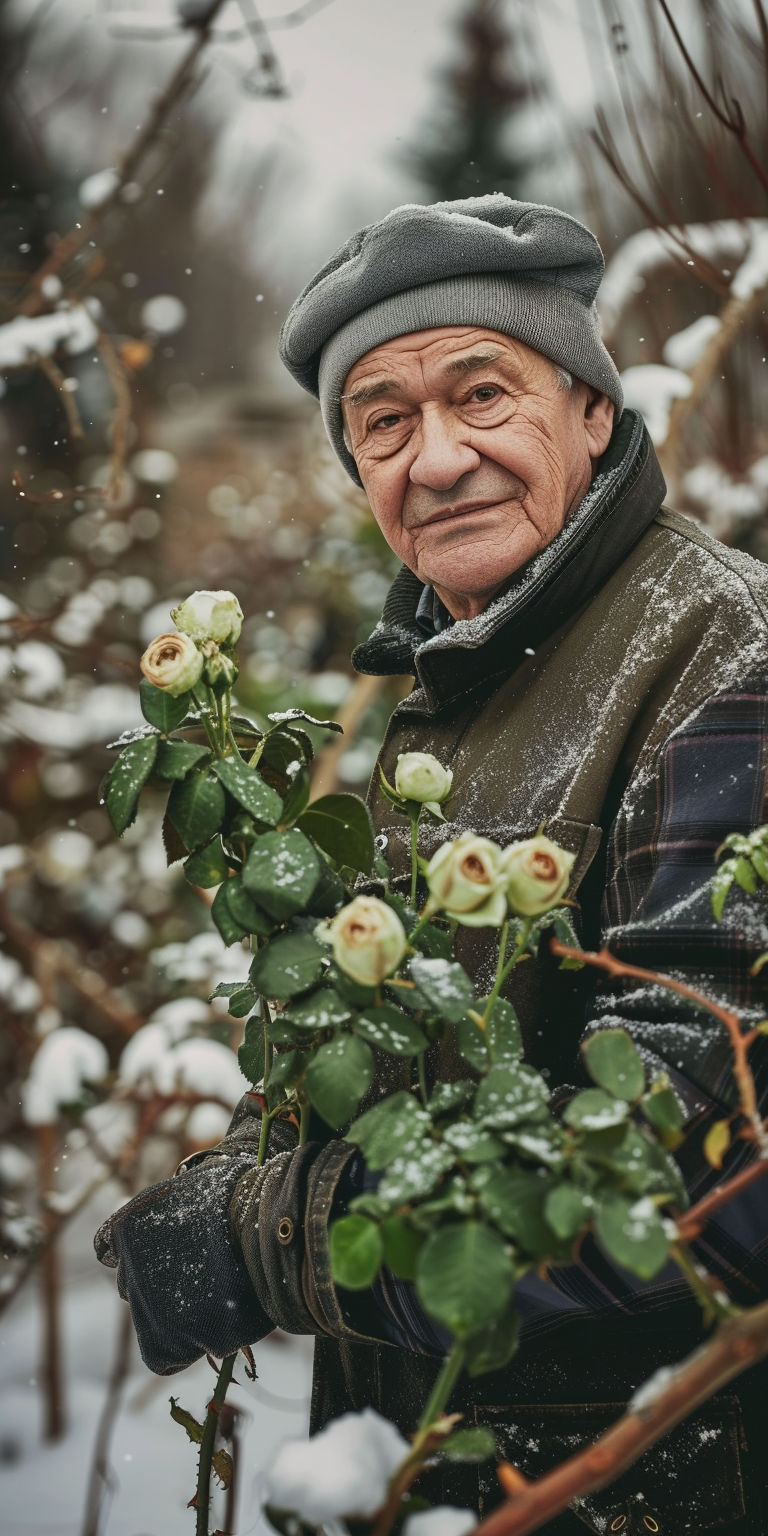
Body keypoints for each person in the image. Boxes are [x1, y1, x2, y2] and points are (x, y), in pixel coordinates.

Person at [96, 197, 768, 1533]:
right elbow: (447, 1055)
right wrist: (271, 1158)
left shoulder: (727, 665)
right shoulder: (460, 678)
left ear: (593, 410)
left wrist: (270, 1239)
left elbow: (713, 1167)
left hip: (652, 1487)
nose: (439, 456)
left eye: (483, 391)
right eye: (385, 423)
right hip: (451, 1469)